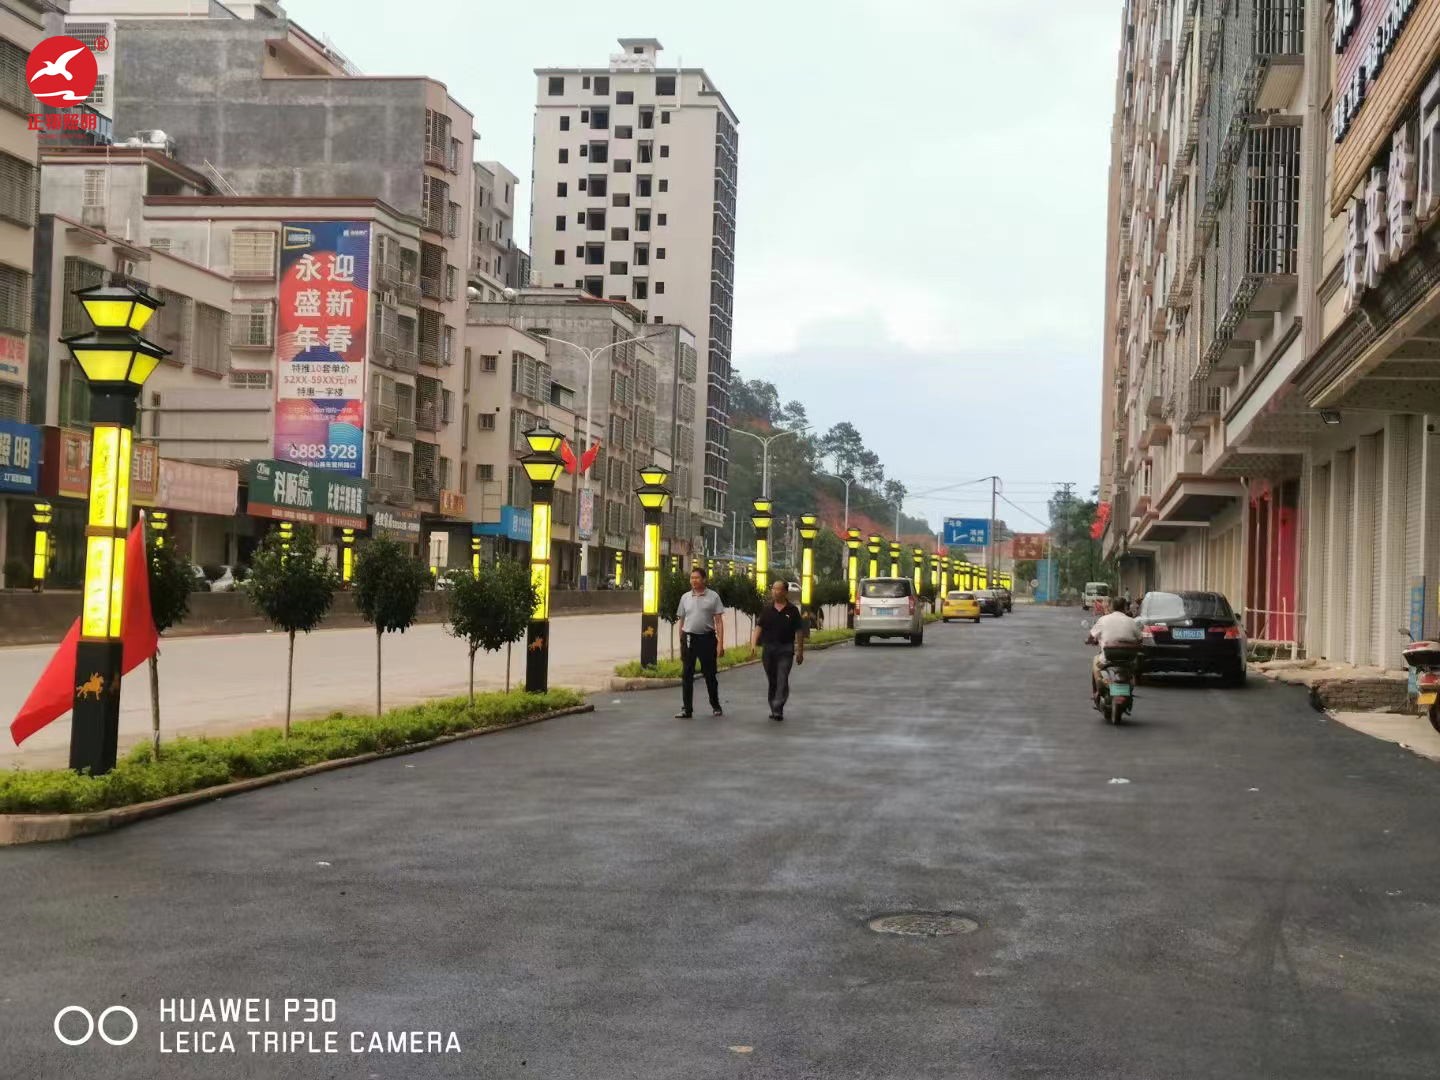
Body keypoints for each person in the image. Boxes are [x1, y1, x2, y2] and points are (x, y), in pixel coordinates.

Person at [751, 579, 805, 721]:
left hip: (785, 649)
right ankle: (774, 706)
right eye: (773, 589)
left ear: (785, 592)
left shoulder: (793, 610)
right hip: (768, 649)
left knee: (782, 678)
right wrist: (753, 644)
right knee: (772, 679)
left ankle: (777, 707)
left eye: (778, 589)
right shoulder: (767, 609)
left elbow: (799, 631)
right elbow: (759, 627)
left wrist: (800, 651)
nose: (774, 592)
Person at [675, 567, 726, 718]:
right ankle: (687, 709)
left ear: (704, 579)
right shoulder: (685, 597)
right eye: (692, 578)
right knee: (687, 674)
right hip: (689, 639)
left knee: (710, 674)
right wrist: (681, 640)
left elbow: (719, 621)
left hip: (707, 639)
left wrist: (720, 644)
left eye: (697, 578)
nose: (694, 581)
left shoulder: (713, 597)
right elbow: (682, 620)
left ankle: (715, 705)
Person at [1086, 604, 1143, 704]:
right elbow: (1140, 638)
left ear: (1112, 608)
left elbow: (1091, 635)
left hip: (1109, 655)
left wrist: (1089, 641)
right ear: (1125, 608)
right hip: (1128, 657)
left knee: (1096, 663)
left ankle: (1097, 692)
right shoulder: (1131, 621)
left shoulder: (1104, 619)